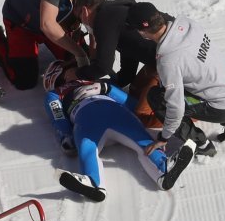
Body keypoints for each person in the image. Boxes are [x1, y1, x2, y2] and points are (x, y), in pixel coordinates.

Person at [125, 2, 225, 158]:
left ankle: (200, 144)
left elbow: (175, 108)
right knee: (200, 75)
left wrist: (164, 137)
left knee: (158, 97)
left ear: (142, 32)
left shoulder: (168, 60)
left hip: (224, 108)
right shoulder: (187, 23)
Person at [45, 79, 197, 201]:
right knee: (87, 146)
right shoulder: (56, 93)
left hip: (111, 113)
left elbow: (131, 103)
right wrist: (66, 135)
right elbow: (57, 116)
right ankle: (93, 183)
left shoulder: (99, 80)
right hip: (88, 118)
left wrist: (106, 88)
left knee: (140, 138)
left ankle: (163, 169)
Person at [0, 0, 117, 90]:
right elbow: (47, 25)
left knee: (82, 64)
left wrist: (92, 53)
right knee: (24, 80)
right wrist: (80, 53)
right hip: (22, 22)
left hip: (58, 21)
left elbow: (92, 17)